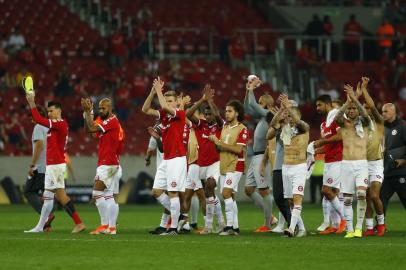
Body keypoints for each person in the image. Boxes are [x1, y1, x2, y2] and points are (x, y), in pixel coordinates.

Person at [24, 92, 86, 233]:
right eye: (48, 111)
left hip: (56, 166)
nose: (50, 113)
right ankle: (40, 227)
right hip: (52, 165)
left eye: (52, 111)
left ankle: (79, 223)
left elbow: (38, 119)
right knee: (47, 197)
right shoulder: (54, 127)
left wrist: (31, 102)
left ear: (59, 110)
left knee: (61, 196)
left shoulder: (60, 124)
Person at [142, 77, 187, 235]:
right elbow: (145, 110)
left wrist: (159, 92)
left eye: (170, 101)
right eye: (166, 100)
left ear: (176, 103)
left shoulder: (179, 114)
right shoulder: (164, 116)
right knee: (156, 191)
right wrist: (152, 92)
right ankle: (180, 215)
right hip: (166, 159)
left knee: (173, 192)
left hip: (177, 158)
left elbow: (163, 106)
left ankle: (174, 228)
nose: (167, 103)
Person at [186, 85, 225, 234]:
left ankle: (209, 226)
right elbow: (188, 114)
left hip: (215, 163)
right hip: (201, 164)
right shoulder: (200, 125)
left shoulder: (219, 126)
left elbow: (217, 115)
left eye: (210, 114)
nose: (208, 116)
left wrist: (211, 103)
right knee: (210, 194)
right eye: (206, 114)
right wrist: (202, 99)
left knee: (210, 186)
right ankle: (220, 222)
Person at [82, 97, 123, 235]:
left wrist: (88, 112)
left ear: (110, 108)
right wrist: (87, 113)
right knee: (109, 196)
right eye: (99, 108)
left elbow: (91, 128)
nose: (101, 110)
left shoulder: (111, 121)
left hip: (108, 164)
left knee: (97, 193)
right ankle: (111, 228)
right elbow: (90, 131)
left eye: (103, 108)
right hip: (111, 163)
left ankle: (104, 225)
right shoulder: (106, 122)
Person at [269, 95, 310, 237]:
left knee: (297, 198)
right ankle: (302, 229)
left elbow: (298, 121)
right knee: (290, 200)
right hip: (286, 167)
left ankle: (291, 229)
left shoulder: (304, 127)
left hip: (299, 166)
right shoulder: (285, 128)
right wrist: (280, 111)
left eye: (294, 115)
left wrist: (287, 108)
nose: (291, 118)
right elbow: (271, 127)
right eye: (290, 116)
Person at [334, 84, 370, 238]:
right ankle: (349, 229)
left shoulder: (366, 123)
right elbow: (337, 117)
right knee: (347, 199)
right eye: (350, 109)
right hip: (346, 165)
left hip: (361, 164)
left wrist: (355, 98)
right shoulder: (344, 124)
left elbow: (365, 114)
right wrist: (347, 103)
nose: (351, 110)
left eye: (354, 108)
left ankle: (358, 228)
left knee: (361, 194)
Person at [208, 100, 248, 236]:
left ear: (237, 113)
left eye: (230, 111)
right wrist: (215, 143)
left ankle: (229, 226)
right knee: (230, 196)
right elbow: (219, 148)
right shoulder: (225, 127)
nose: (227, 113)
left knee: (225, 194)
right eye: (226, 111)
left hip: (236, 165)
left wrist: (219, 142)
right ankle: (235, 227)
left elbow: (238, 149)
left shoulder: (242, 128)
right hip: (224, 164)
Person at [243, 76, 276, 232]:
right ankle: (271, 217)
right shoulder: (263, 116)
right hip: (255, 156)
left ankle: (268, 224)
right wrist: (248, 90)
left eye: (261, 102)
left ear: (268, 104)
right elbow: (247, 107)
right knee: (249, 189)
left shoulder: (269, 114)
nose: (258, 105)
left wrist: (251, 90)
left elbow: (252, 106)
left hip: (263, 156)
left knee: (264, 190)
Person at [314, 95, 347, 235]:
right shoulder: (325, 123)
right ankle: (334, 225)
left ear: (327, 105)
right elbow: (328, 145)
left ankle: (345, 220)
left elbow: (340, 137)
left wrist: (323, 142)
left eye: (319, 105)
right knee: (329, 194)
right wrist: (313, 150)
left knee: (327, 191)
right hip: (328, 160)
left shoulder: (335, 119)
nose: (317, 108)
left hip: (338, 160)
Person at [357, 77, 386, 236]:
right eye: (364, 108)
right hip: (363, 164)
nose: (366, 110)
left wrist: (364, 90)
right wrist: (355, 95)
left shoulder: (379, 122)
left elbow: (373, 106)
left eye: (367, 108)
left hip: (376, 164)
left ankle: (381, 223)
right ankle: (369, 227)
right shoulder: (360, 125)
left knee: (374, 195)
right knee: (365, 197)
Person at [24, 106, 54, 231]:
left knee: (29, 192)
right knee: (48, 197)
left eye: (32, 119)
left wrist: (32, 165)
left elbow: (39, 146)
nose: (31, 121)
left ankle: (46, 218)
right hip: (50, 167)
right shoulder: (50, 128)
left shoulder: (38, 127)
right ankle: (47, 226)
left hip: (40, 168)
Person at [381, 103, 406, 213]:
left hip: (401, 172)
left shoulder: (403, 126)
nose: (383, 114)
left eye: (386, 111)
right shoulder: (382, 128)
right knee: (381, 198)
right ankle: (380, 225)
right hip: (387, 171)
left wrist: (404, 160)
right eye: (382, 112)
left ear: (393, 112)